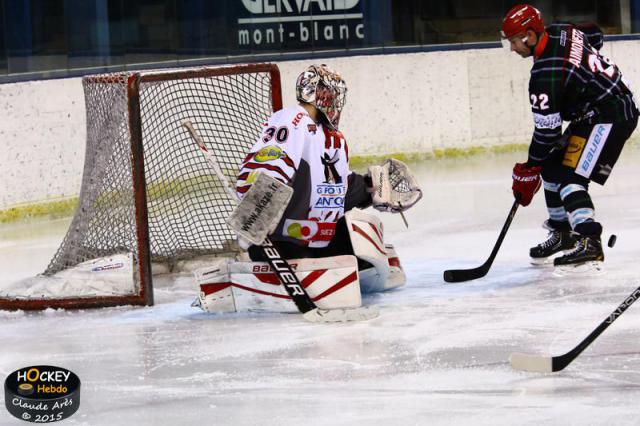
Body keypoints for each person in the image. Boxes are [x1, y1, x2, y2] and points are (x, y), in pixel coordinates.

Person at [235, 64, 420, 263]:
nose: (336, 101)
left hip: (321, 241)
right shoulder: (291, 120)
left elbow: (335, 187)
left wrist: (369, 188)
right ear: (319, 94)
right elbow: (267, 166)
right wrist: (253, 217)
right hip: (284, 241)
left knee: (365, 232)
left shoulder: (334, 138)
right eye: (333, 94)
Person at [501, 4, 639, 270]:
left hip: (611, 114)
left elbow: (548, 132)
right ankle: (563, 233)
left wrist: (528, 169)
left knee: (570, 177)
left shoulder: (544, 75)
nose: (512, 47)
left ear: (530, 35)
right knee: (551, 167)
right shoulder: (561, 31)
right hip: (596, 110)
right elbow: (594, 34)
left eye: (515, 41)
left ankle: (589, 240)